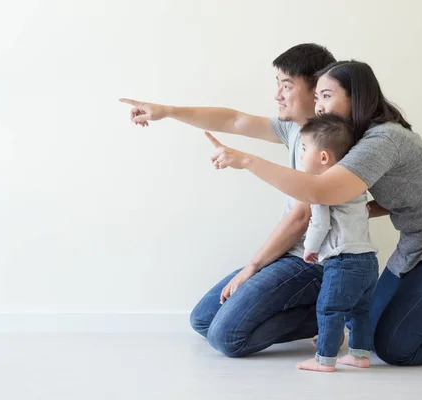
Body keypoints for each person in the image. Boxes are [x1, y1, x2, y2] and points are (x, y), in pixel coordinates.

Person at [204, 60, 422, 365]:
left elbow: (320, 190)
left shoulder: (383, 138)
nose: (319, 107)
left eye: (326, 96)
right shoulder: (357, 141)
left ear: (357, 97)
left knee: (396, 348)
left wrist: (246, 161)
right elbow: (394, 194)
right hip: (417, 242)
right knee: (364, 330)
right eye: (316, 99)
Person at [120, 44, 342, 357]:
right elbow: (234, 120)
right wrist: (167, 111)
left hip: (315, 261)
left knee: (227, 338)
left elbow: (301, 217)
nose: (278, 95)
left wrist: (251, 268)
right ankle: (326, 311)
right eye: (277, 85)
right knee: (203, 320)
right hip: (289, 253)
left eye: (287, 86)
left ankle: (335, 312)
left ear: (317, 88)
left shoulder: (332, 141)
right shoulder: (294, 128)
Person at [290, 114, 378, 372]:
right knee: (360, 311)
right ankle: (360, 355)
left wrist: (310, 248)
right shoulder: (355, 186)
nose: (302, 153)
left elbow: (319, 223)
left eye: (305, 148)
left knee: (329, 309)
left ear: (324, 157)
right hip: (369, 260)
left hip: (343, 261)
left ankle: (324, 359)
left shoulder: (321, 188)